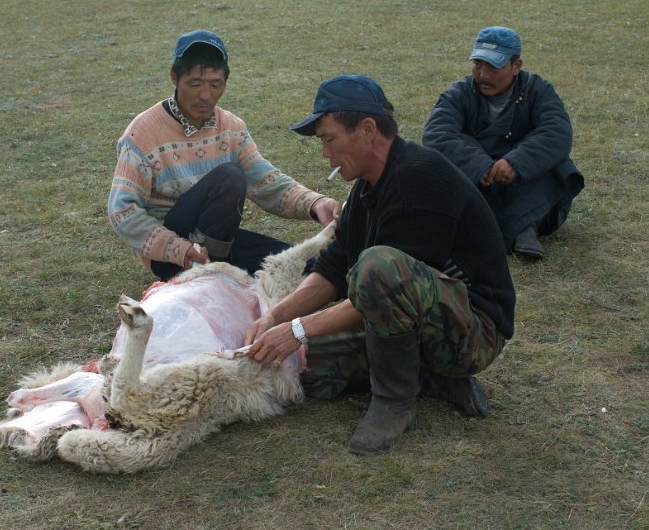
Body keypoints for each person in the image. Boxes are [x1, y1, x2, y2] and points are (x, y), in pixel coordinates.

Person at [245, 75, 515, 455]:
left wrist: (297, 329)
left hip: (473, 333)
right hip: (409, 319)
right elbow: (334, 267)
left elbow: (382, 285)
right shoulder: (368, 186)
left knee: (376, 268)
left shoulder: (418, 177)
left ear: (368, 130)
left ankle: (395, 401)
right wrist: (276, 318)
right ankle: (428, 378)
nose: (325, 153)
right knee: (299, 369)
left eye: (329, 138)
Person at [108, 30, 340, 280]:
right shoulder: (141, 133)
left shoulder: (231, 127)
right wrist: (180, 249)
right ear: (175, 77)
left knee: (306, 267)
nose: (206, 95)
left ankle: (212, 268)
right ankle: (204, 271)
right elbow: (122, 211)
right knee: (229, 177)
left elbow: (266, 182)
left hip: (216, 243)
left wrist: (315, 204)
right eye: (195, 83)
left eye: (215, 84)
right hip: (169, 255)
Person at [422, 26, 584, 259]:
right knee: (452, 151)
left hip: (527, 187)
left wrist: (517, 163)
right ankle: (519, 228)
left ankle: (526, 225)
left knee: (556, 162)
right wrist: (480, 166)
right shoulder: (459, 93)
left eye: (493, 66)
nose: (483, 74)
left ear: (516, 66)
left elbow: (557, 132)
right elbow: (436, 134)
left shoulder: (539, 90)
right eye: (478, 64)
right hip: (482, 186)